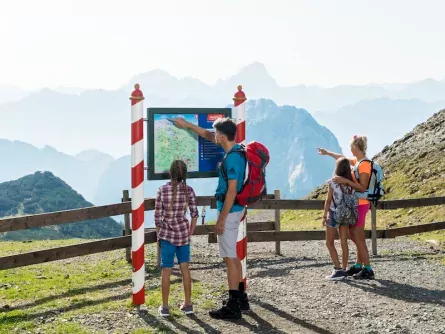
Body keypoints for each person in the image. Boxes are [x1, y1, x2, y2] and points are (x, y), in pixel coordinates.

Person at [169, 116, 248, 320]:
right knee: (233, 255)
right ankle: (240, 297)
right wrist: (187, 125)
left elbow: (231, 191)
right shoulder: (236, 150)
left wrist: (221, 219)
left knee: (229, 257)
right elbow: (205, 134)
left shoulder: (233, 159)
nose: (213, 136)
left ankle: (233, 306)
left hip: (230, 212)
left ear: (222, 136)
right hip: (235, 210)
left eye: (216, 134)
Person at [317, 135, 375, 279]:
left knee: (358, 238)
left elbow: (362, 187)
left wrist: (344, 181)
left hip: (360, 205)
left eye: (351, 147)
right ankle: (358, 265)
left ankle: (367, 269)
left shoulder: (364, 164)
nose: (349, 149)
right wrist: (327, 153)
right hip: (354, 205)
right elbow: (341, 158)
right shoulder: (358, 161)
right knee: (352, 236)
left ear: (355, 147)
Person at [154, 160, 199, 317]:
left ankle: (165, 307)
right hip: (183, 236)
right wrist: (189, 232)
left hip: (167, 236)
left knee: (166, 269)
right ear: (184, 175)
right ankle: (188, 304)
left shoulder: (162, 190)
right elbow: (194, 215)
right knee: (185, 268)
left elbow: (157, 218)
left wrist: (160, 235)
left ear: (170, 173)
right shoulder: (189, 191)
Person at [323, 157, 355, 280]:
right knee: (343, 242)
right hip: (346, 214)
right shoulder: (351, 183)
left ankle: (337, 269)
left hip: (334, 213)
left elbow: (328, 200)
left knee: (329, 242)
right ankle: (344, 269)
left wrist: (324, 215)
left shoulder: (333, 182)